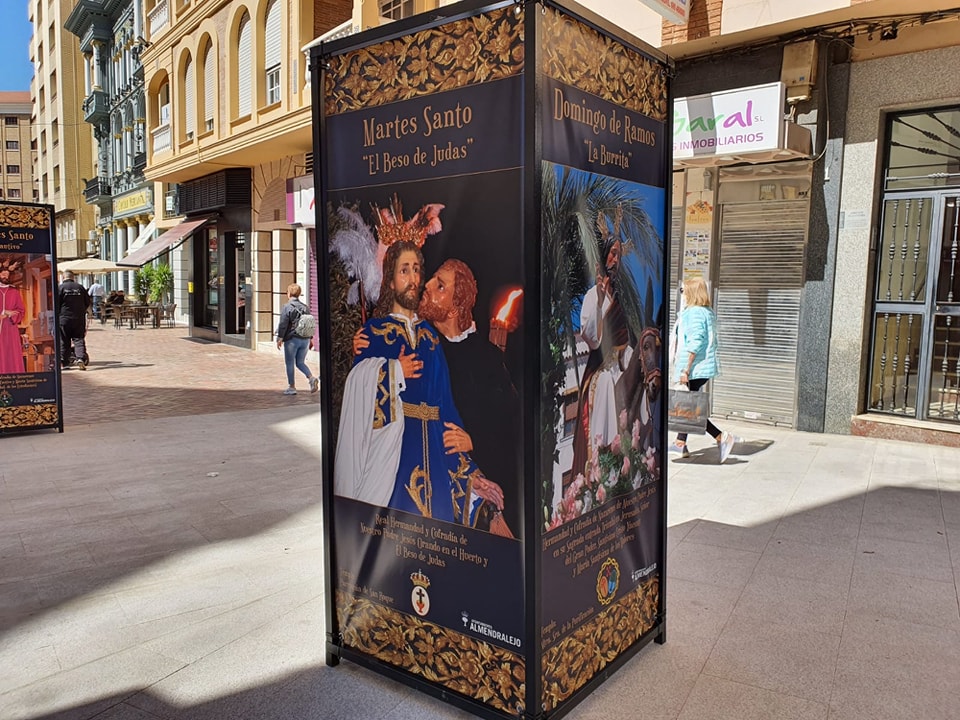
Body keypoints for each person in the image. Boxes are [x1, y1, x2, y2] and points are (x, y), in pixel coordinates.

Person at [334, 241, 504, 525]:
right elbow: (358, 406)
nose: (413, 279)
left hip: (436, 468)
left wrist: (471, 475)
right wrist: (392, 371)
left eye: (416, 270)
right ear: (389, 282)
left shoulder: (431, 339)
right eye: (404, 271)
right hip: (392, 468)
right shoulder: (373, 335)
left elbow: (446, 413)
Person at [569, 206, 642, 481]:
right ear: (603, 258)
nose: (617, 259)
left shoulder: (622, 299)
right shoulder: (591, 296)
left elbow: (627, 343)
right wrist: (599, 302)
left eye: (619, 254)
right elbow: (592, 338)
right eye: (613, 253)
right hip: (600, 374)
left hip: (619, 371)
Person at [669, 276, 735, 463]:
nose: (682, 293)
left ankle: (722, 437)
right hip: (700, 368)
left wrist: (685, 370)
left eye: (684, 290)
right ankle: (680, 443)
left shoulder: (695, 313)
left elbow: (696, 341)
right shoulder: (706, 312)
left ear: (692, 291)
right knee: (687, 405)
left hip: (693, 369)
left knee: (688, 408)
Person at [275, 283, 319, 396]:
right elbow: (309, 324)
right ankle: (311, 378)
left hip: (292, 339)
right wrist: (311, 339)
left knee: (289, 363)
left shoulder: (287, 307)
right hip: (305, 339)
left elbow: (283, 324)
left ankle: (292, 386)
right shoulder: (305, 307)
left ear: (288, 293)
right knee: (300, 362)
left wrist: (280, 338)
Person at [58, 271, 92, 370]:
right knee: (79, 339)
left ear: (63, 277)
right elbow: (87, 302)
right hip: (78, 318)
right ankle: (80, 358)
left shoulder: (60, 288)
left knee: (64, 340)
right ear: (73, 277)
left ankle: (65, 363)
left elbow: (56, 304)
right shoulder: (80, 287)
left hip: (64, 318)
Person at [0, 261, 26, 374]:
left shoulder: (14, 292)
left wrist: (11, 315)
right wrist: (2, 313)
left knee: (12, 355)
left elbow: (21, 311)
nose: (6, 276)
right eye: (3, 274)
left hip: (11, 329)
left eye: (7, 274)